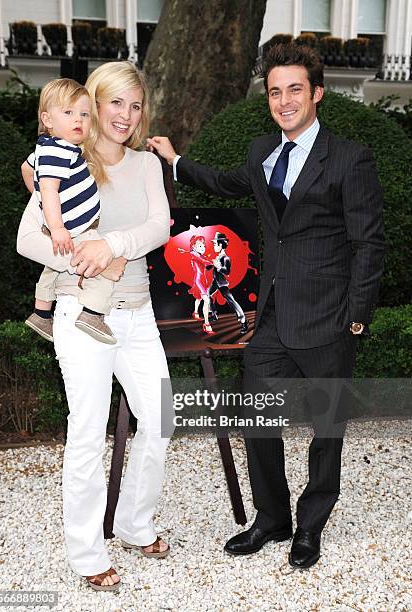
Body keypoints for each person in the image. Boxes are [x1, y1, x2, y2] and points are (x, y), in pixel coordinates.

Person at [147, 43, 384, 569]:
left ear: (317, 93)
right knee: (258, 419)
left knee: (326, 432)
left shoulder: (349, 157)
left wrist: (357, 317)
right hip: (272, 318)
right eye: (275, 91)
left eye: (295, 89)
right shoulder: (261, 154)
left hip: (329, 319)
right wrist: (176, 161)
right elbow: (226, 184)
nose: (284, 100)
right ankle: (272, 519)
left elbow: (370, 244)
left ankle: (310, 525)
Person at [17, 61, 173, 591]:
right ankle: (87, 554)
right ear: (93, 103)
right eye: (116, 103)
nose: (126, 115)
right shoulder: (61, 161)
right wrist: (82, 259)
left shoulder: (148, 165)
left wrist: (113, 244)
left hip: (139, 312)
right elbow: (28, 240)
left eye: (136, 105)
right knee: (87, 431)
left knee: (160, 420)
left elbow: (159, 227)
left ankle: (133, 524)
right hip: (79, 316)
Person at [21, 78, 117, 345]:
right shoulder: (59, 151)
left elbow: (27, 169)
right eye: (68, 112)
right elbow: (50, 189)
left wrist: (41, 202)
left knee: (52, 267)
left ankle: (41, 313)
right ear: (47, 119)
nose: (79, 120)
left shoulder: (46, 147)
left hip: (67, 227)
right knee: (99, 265)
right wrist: (57, 225)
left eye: (84, 114)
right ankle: (93, 313)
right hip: (76, 229)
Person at [208, 232, 248, 335]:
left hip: (221, 283)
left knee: (231, 301)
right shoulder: (217, 257)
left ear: (220, 245)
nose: (213, 246)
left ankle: (243, 321)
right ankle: (214, 314)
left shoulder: (226, 258)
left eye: (215, 244)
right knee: (207, 295)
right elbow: (210, 267)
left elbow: (227, 272)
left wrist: (218, 267)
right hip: (215, 281)